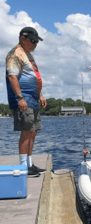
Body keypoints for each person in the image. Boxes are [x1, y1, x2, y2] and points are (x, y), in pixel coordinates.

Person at [6, 27, 47, 177]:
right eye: (33, 41)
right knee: (26, 132)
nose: (35, 44)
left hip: (33, 98)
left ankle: (30, 163)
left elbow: (32, 76)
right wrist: (20, 97)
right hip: (24, 99)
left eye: (37, 41)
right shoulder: (15, 54)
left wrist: (40, 94)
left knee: (33, 132)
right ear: (23, 39)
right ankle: (23, 166)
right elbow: (12, 76)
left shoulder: (27, 54)